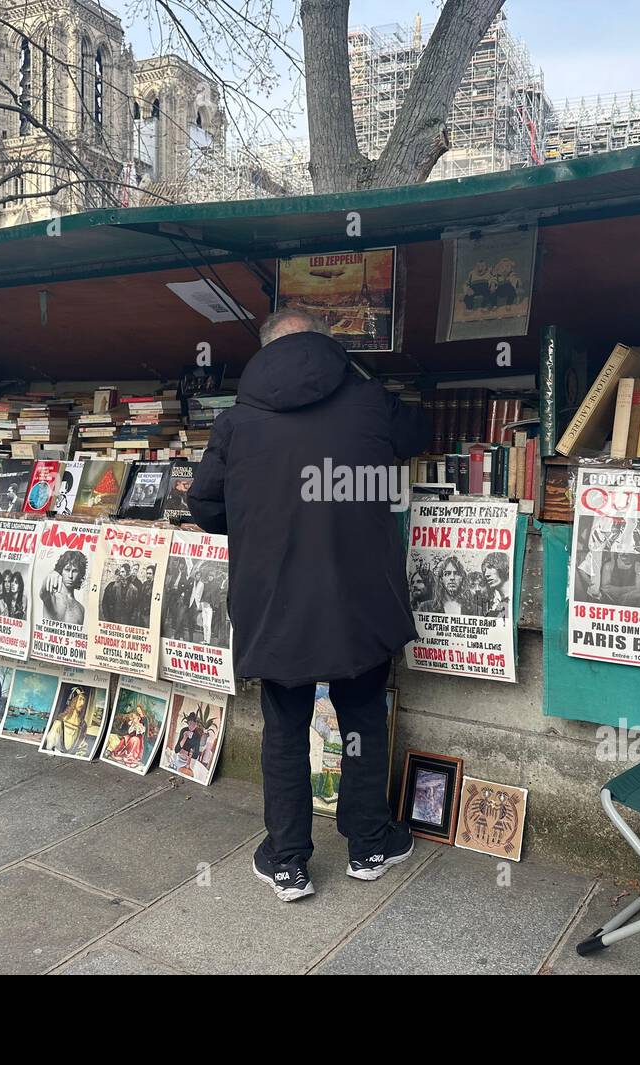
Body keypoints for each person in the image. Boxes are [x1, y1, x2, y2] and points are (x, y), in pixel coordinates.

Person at [189, 308, 430, 902]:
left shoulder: (238, 421)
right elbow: (417, 435)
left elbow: (204, 504)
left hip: (276, 601)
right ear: (327, 346)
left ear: (265, 350)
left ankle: (288, 860)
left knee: (286, 727)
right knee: (363, 719)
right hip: (360, 598)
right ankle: (370, 843)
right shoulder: (370, 398)